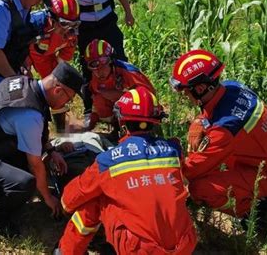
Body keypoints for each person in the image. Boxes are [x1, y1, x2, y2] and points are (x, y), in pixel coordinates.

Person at [55, 87, 197, 255]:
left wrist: (63, 205)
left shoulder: (108, 161)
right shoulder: (174, 150)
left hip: (140, 250)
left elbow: (73, 196)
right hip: (184, 244)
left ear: (122, 121)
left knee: (94, 200)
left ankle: (65, 252)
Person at [0, 62, 83, 236]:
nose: (68, 103)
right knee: (25, 183)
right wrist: (48, 198)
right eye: (70, 98)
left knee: (29, 163)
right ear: (58, 90)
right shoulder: (30, 115)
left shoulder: (25, 84)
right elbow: (35, 164)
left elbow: (36, 134)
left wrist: (51, 151)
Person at [169, 49, 267, 217]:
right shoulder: (232, 86)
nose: (185, 96)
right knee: (200, 146)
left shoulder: (223, 130)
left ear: (201, 88)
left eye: (186, 91)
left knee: (199, 188)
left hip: (266, 175)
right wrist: (199, 122)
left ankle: (249, 211)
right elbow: (214, 110)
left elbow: (191, 170)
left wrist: (166, 171)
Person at [54, 0, 135, 118]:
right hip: (83, 25)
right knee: (88, 66)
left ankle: (132, 101)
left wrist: (128, 12)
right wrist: (65, 30)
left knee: (119, 60)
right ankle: (90, 110)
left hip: (106, 19)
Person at [28, 0, 81, 132]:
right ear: (52, 18)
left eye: (75, 24)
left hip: (47, 59)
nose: (70, 29)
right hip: (25, 56)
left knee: (58, 90)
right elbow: (18, 49)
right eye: (65, 24)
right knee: (26, 91)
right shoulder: (34, 24)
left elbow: (63, 60)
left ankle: (61, 132)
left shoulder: (70, 35)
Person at [84, 39, 155, 135]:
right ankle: (117, 128)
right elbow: (96, 105)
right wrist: (89, 127)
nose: (99, 71)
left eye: (103, 65)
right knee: (99, 98)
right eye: (94, 67)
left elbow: (149, 96)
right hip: (120, 114)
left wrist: (122, 97)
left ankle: (139, 130)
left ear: (111, 60)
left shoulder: (129, 72)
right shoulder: (95, 77)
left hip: (144, 115)